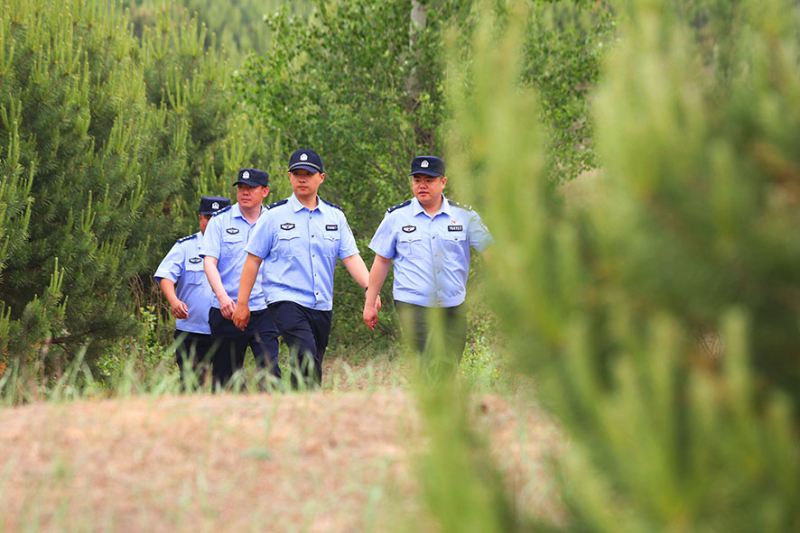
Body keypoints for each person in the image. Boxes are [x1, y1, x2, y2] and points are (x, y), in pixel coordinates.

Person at [232, 149, 376, 389]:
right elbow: (253, 260)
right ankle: (306, 405)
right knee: (306, 354)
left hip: (321, 304)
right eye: (296, 173)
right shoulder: (273, 216)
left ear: (321, 177)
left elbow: (351, 257)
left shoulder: (335, 217)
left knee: (313, 362)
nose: (302, 179)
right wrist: (242, 303)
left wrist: (371, 289)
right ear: (289, 177)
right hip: (285, 298)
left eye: (308, 174)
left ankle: (303, 408)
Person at [363, 155, 493, 372]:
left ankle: (432, 404)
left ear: (443, 182)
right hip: (413, 305)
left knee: (449, 365)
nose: (422, 185)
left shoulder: (464, 216)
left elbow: (491, 252)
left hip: (453, 305)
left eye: (429, 180)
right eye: (417, 179)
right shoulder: (396, 217)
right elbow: (381, 261)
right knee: (433, 360)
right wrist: (369, 303)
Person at [201, 169, 281, 389]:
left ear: (264, 191)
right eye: (241, 188)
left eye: (251, 188)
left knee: (270, 372)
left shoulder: (275, 221)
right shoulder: (219, 221)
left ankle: (273, 418)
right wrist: (223, 298)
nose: (245, 192)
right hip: (226, 309)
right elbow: (209, 263)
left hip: (264, 309)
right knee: (225, 379)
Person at [154, 195, 231, 387]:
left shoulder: (237, 246)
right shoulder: (185, 247)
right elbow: (165, 276)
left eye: (217, 218)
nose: (211, 222)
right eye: (207, 217)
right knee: (191, 385)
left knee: (225, 385)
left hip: (227, 329)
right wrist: (173, 301)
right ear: (200, 218)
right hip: (192, 330)